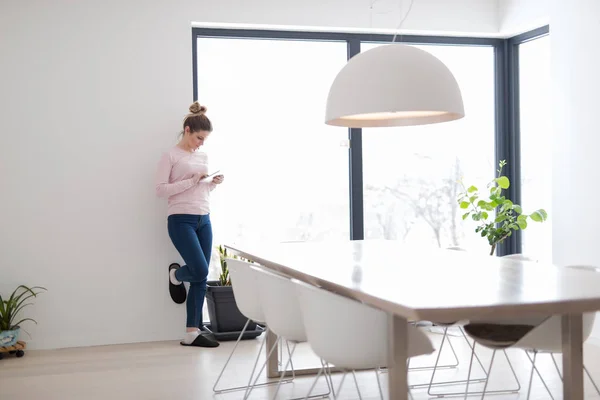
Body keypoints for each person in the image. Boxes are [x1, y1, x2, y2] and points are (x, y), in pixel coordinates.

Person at [155, 101, 224, 347]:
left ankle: (191, 333)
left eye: (204, 139)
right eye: (198, 138)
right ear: (187, 130)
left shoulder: (202, 155)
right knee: (200, 270)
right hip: (180, 219)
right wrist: (191, 181)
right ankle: (176, 275)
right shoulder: (170, 155)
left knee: (200, 278)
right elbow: (161, 190)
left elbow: (199, 188)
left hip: (203, 217)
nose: (201, 143)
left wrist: (212, 182)